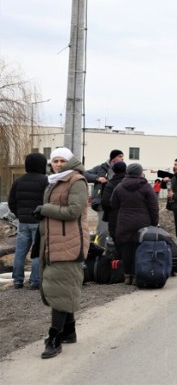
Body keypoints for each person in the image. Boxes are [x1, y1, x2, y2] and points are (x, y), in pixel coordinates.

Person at [36, 147, 90, 359]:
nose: (58, 164)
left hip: (70, 242)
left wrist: (44, 209)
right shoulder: (55, 181)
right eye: (55, 160)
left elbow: (73, 211)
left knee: (59, 287)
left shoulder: (76, 180)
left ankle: (54, 337)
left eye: (61, 160)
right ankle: (69, 331)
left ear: (69, 161)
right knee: (63, 287)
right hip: (54, 241)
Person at [110, 163, 159, 285]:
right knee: (140, 249)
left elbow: (113, 203)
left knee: (126, 249)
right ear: (139, 172)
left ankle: (127, 276)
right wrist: (154, 222)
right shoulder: (146, 186)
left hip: (124, 222)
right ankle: (137, 275)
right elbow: (154, 207)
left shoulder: (120, 187)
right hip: (142, 222)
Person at [8, 153, 48, 290]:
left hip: (23, 221)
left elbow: (11, 202)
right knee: (37, 251)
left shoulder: (18, 181)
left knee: (20, 252)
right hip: (39, 221)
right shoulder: (45, 181)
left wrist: (19, 214)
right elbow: (48, 201)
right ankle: (35, 281)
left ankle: (17, 280)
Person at [85, 149, 125, 243]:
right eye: (120, 156)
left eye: (123, 157)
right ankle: (101, 251)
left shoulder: (124, 169)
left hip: (119, 204)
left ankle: (114, 253)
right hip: (103, 203)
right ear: (113, 158)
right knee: (103, 231)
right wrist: (98, 178)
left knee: (119, 230)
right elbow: (84, 174)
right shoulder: (101, 168)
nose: (122, 159)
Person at [100, 161, 127, 246]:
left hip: (115, 218)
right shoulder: (131, 182)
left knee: (117, 243)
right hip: (131, 217)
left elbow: (105, 202)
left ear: (114, 171)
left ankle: (118, 258)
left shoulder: (111, 184)